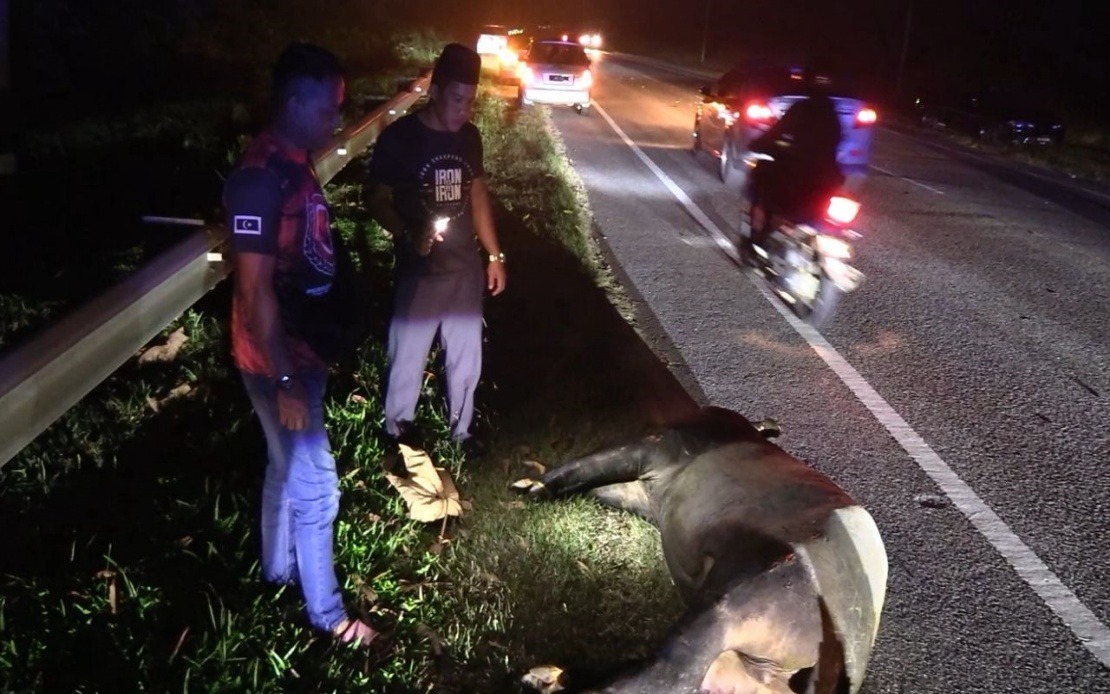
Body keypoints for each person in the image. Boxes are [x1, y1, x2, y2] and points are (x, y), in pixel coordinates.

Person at [224, 42, 377, 647]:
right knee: (317, 489)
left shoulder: (295, 161)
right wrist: (285, 377)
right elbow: (253, 289)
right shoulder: (259, 180)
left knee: (282, 467)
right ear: (293, 103)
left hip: (300, 352)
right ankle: (329, 618)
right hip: (276, 362)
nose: (336, 120)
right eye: (327, 108)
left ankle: (278, 574)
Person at [365, 43, 506, 455]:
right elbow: (375, 197)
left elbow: (477, 193)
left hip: (464, 270)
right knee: (408, 354)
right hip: (420, 270)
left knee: (466, 359)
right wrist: (408, 232)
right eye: (457, 99)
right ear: (436, 92)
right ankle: (397, 433)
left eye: (471, 101)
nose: (464, 110)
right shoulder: (400, 139)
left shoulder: (469, 138)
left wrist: (494, 255)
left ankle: (462, 433)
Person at [745, 63, 844, 253]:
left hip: (797, 177)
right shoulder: (833, 115)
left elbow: (773, 135)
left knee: (761, 180)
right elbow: (836, 143)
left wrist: (757, 145)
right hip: (827, 179)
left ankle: (757, 242)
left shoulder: (800, 109)